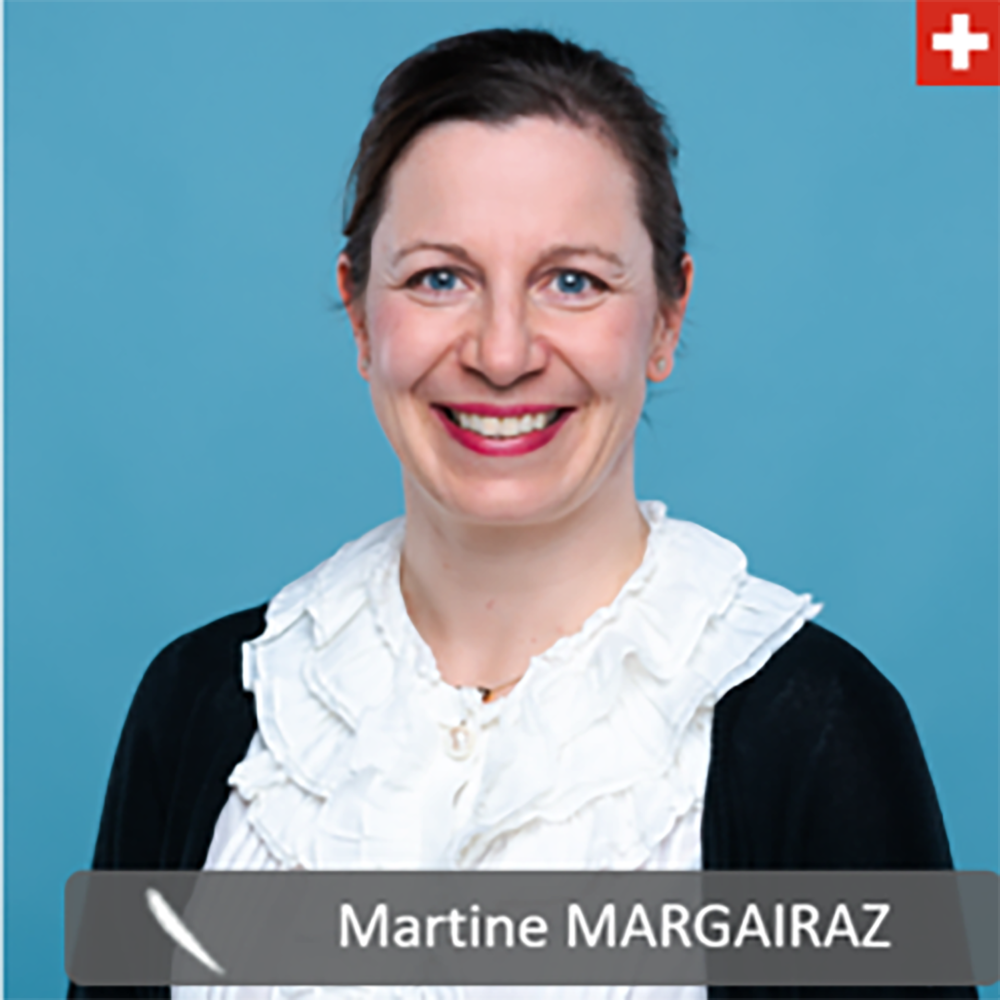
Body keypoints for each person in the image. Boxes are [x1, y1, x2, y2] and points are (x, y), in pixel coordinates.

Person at [70, 28, 972, 1000]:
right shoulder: (202, 705)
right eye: (439, 278)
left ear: (666, 318)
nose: (502, 354)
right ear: (361, 314)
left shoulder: (819, 729)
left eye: (573, 281)